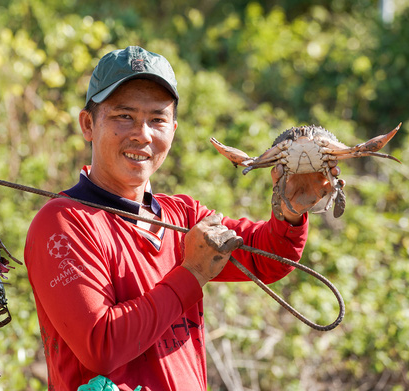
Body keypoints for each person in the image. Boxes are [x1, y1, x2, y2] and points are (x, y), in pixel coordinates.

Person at [25, 46, 336, 390]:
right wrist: (194, 272)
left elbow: (268, 258)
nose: (142, 134)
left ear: (173, 129)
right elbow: (101, 345)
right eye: (123, 116)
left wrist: (290, 211)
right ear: (88, 124)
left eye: (157, 119)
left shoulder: (183, 215)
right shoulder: (62, 223)